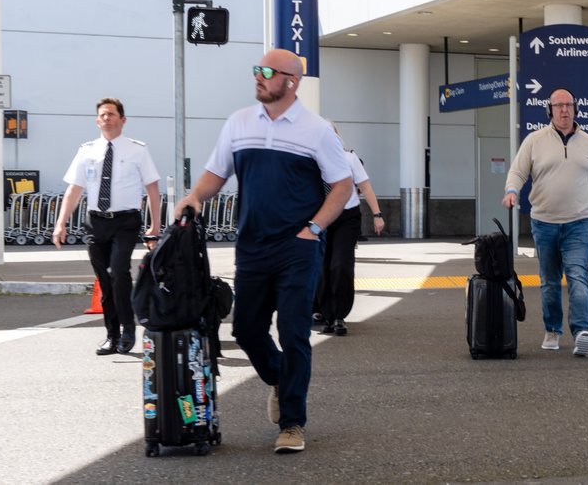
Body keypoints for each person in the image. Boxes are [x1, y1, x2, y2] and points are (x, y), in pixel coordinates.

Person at [175, 49, 353, 454]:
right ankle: (279, 378)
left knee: (294, 333)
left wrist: (313, 229)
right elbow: (216, 172)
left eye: (267, 71)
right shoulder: (239, 123)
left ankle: (292, 423)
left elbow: (342, 185)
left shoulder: (317, 129)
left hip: (297, 248)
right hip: (252, 246)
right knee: (246, 330)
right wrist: (195, 197)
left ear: (291, 81)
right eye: (257, 70)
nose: (258, 76)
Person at [54, 98, 161, 356]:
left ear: (122, 120)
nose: (106, 118)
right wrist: (61, 223)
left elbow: (153, 190)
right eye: (102, 115)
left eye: (111, 114)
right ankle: (111, 336)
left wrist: (155, 226)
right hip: (96, 222)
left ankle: (127, 329)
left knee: (119, 273)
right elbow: (74, 190)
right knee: (104, 280)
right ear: (96, 120)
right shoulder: (87, 150)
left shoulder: (137, 150)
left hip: (126, 221)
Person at [503, 88, 588, 357]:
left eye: (568, 105)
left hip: (579, 222)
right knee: (549, 281)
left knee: (577, 276)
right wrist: (512, 190)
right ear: (549, 110)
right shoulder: (535, 141)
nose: (564, 110)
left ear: (576, 108)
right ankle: (552, 330)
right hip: (544, 222)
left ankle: (582, 331)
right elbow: (517, 171)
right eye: (558, 105)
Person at [316, 132, 385, 336]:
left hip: (347, 217)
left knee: (340, 265)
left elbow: (365, 186)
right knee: (322, 267)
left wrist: (377, 214)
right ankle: (326, 314)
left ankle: (339, 315)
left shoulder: (349, 158)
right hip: (321, 218)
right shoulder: (312, 160)